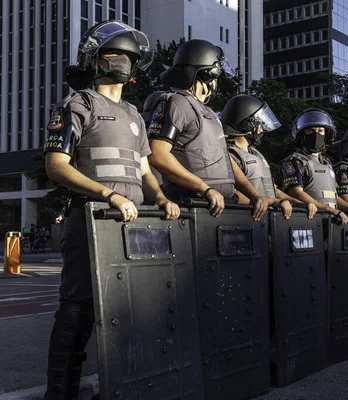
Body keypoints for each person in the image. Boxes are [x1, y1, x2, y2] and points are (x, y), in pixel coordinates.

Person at [42, 20, 180, 399]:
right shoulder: (77, 104)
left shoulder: (136, 115)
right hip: (90, 220)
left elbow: (145, 169)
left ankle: (120, 389)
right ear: (95, 60)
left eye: (129, 57)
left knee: (132, 310)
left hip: (134, 227)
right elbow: (56, 165)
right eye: (114, 54)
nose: (122, 62)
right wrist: (109, 195)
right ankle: (60, 392)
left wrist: (162, 198)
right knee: (78, 309)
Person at [146, 39, 273, 221]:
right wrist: (204, 188)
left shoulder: (210, 113)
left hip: (221, 207)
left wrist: (254, 195)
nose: (216, 83)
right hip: (194, 205)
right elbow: (157, 154)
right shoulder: (176, 102)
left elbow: (225, 160)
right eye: (215, 77)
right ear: (207, 74)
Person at [219, 94, 316, 218]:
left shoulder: (256, 154)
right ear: (248, 125)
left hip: (268, 221)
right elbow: (230, 194)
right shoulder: (230, 154)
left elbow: (272, 189)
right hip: (246, 221)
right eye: (259, 124)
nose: (261, 130)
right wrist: (272, 202)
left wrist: (298, 203)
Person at [282, 108, 348, 225]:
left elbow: (335, 197)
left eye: (320, 130)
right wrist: (332, 211)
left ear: (327, 134)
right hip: (309, 223)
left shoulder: (327, 163)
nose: (316, 134)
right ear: (301, 134)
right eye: (310, 131)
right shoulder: (295, 161)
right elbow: (296, 193)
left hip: (333, 224)